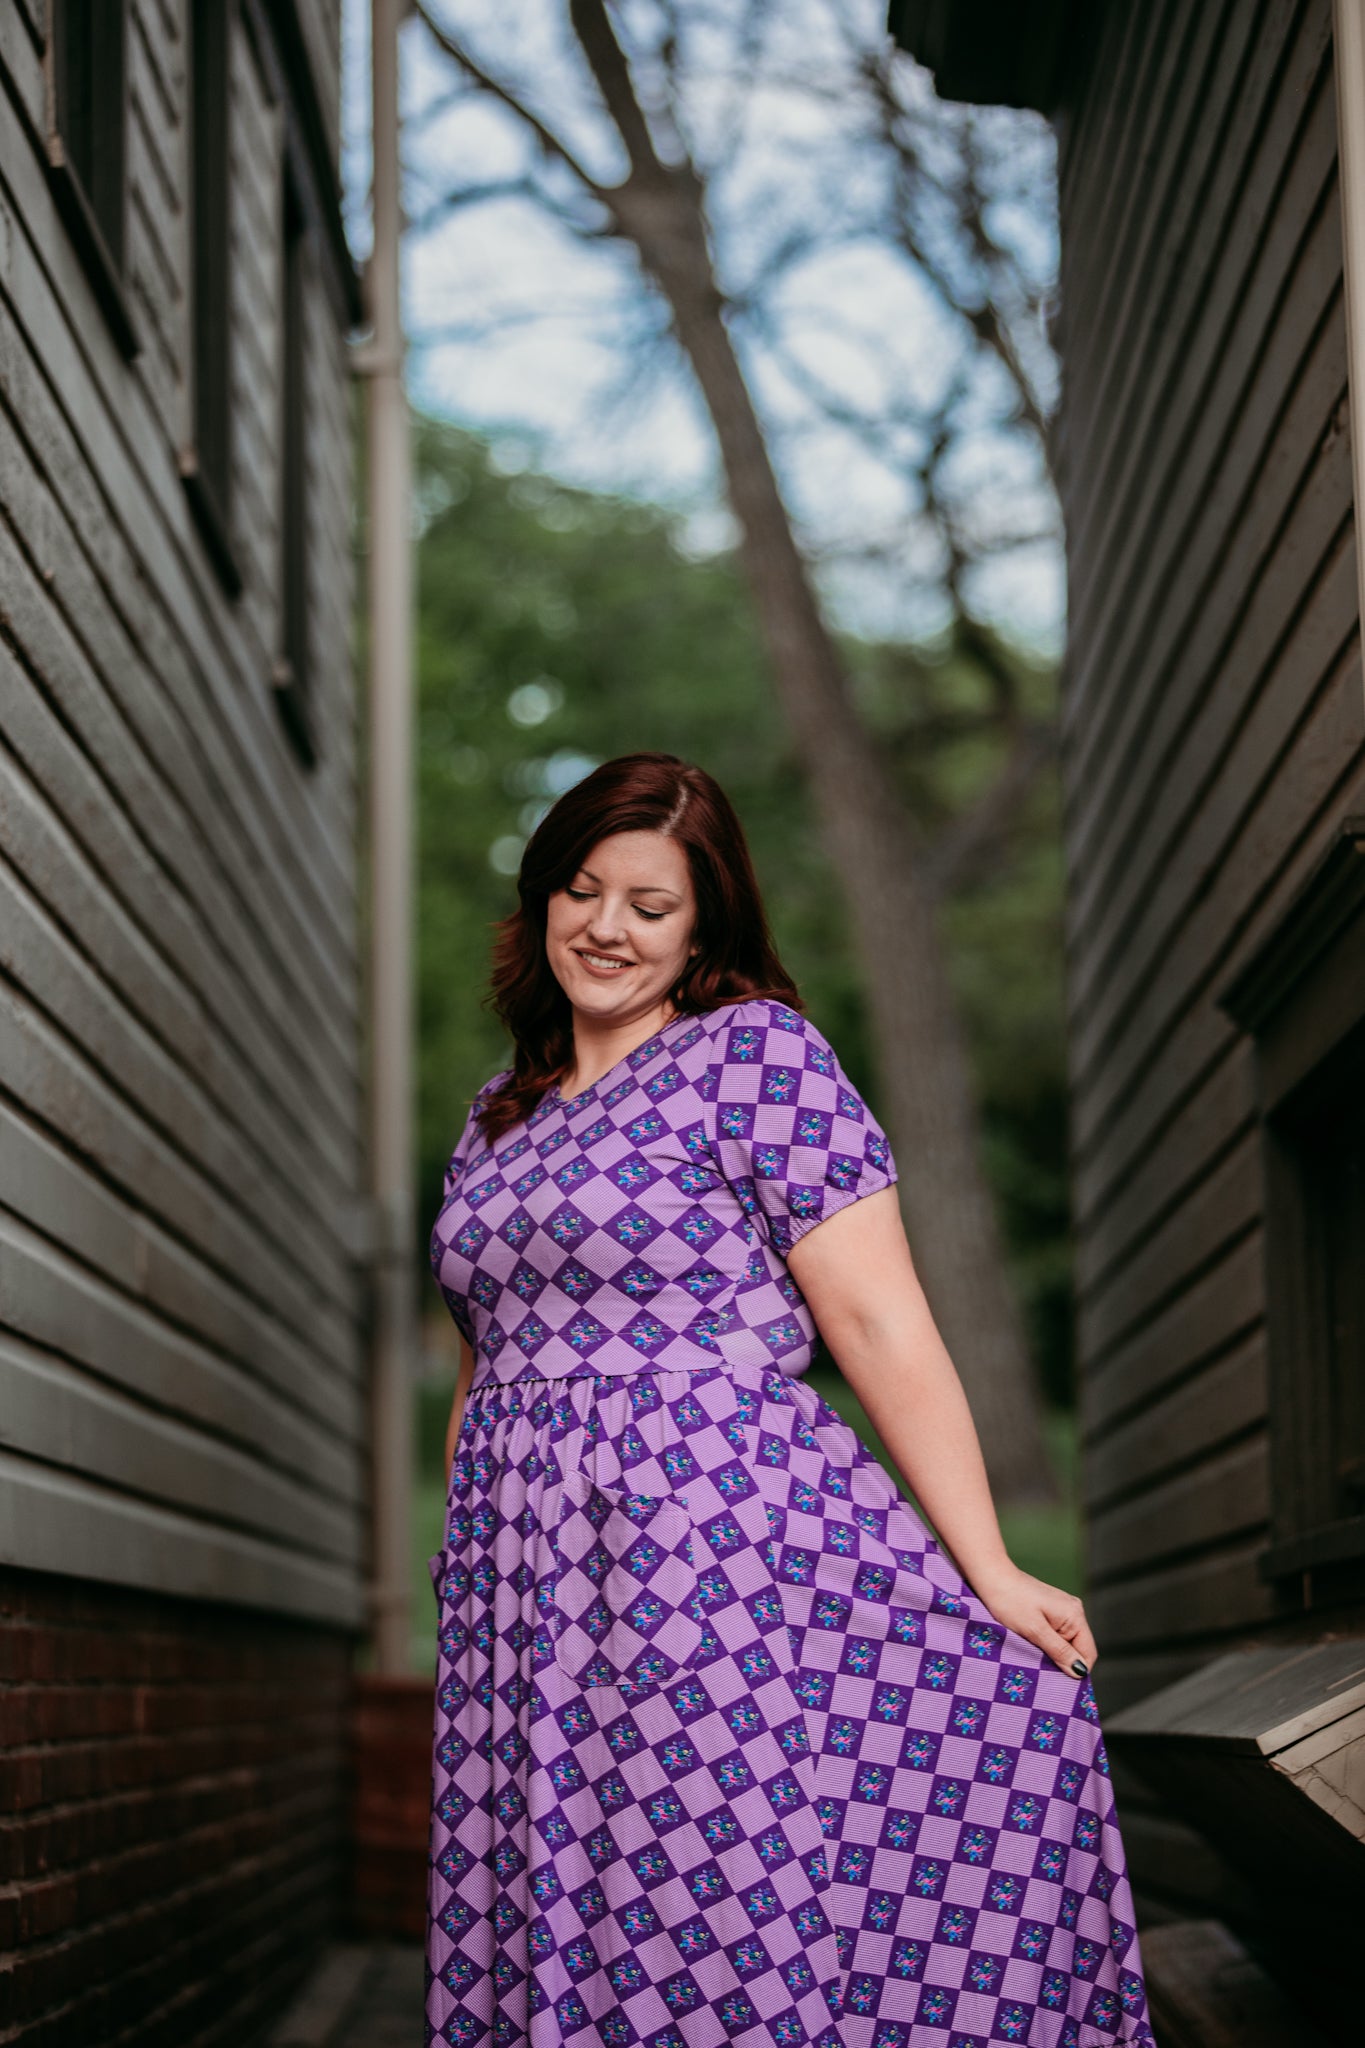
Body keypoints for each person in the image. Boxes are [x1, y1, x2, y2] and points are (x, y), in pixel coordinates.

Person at [425, 751, 1155, 2048]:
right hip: (524, 1578)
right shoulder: (497, 1113)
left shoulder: (752, 1058)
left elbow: (876, 1318)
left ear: (704, 920)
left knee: (692, 1877)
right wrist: (460, 1556)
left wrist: (983, 1563)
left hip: (701, 1540)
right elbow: (483, 1355)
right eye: (582, 891)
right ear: (541, 899)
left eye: (649, 905)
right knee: (560, 1886)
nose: (606, 927)